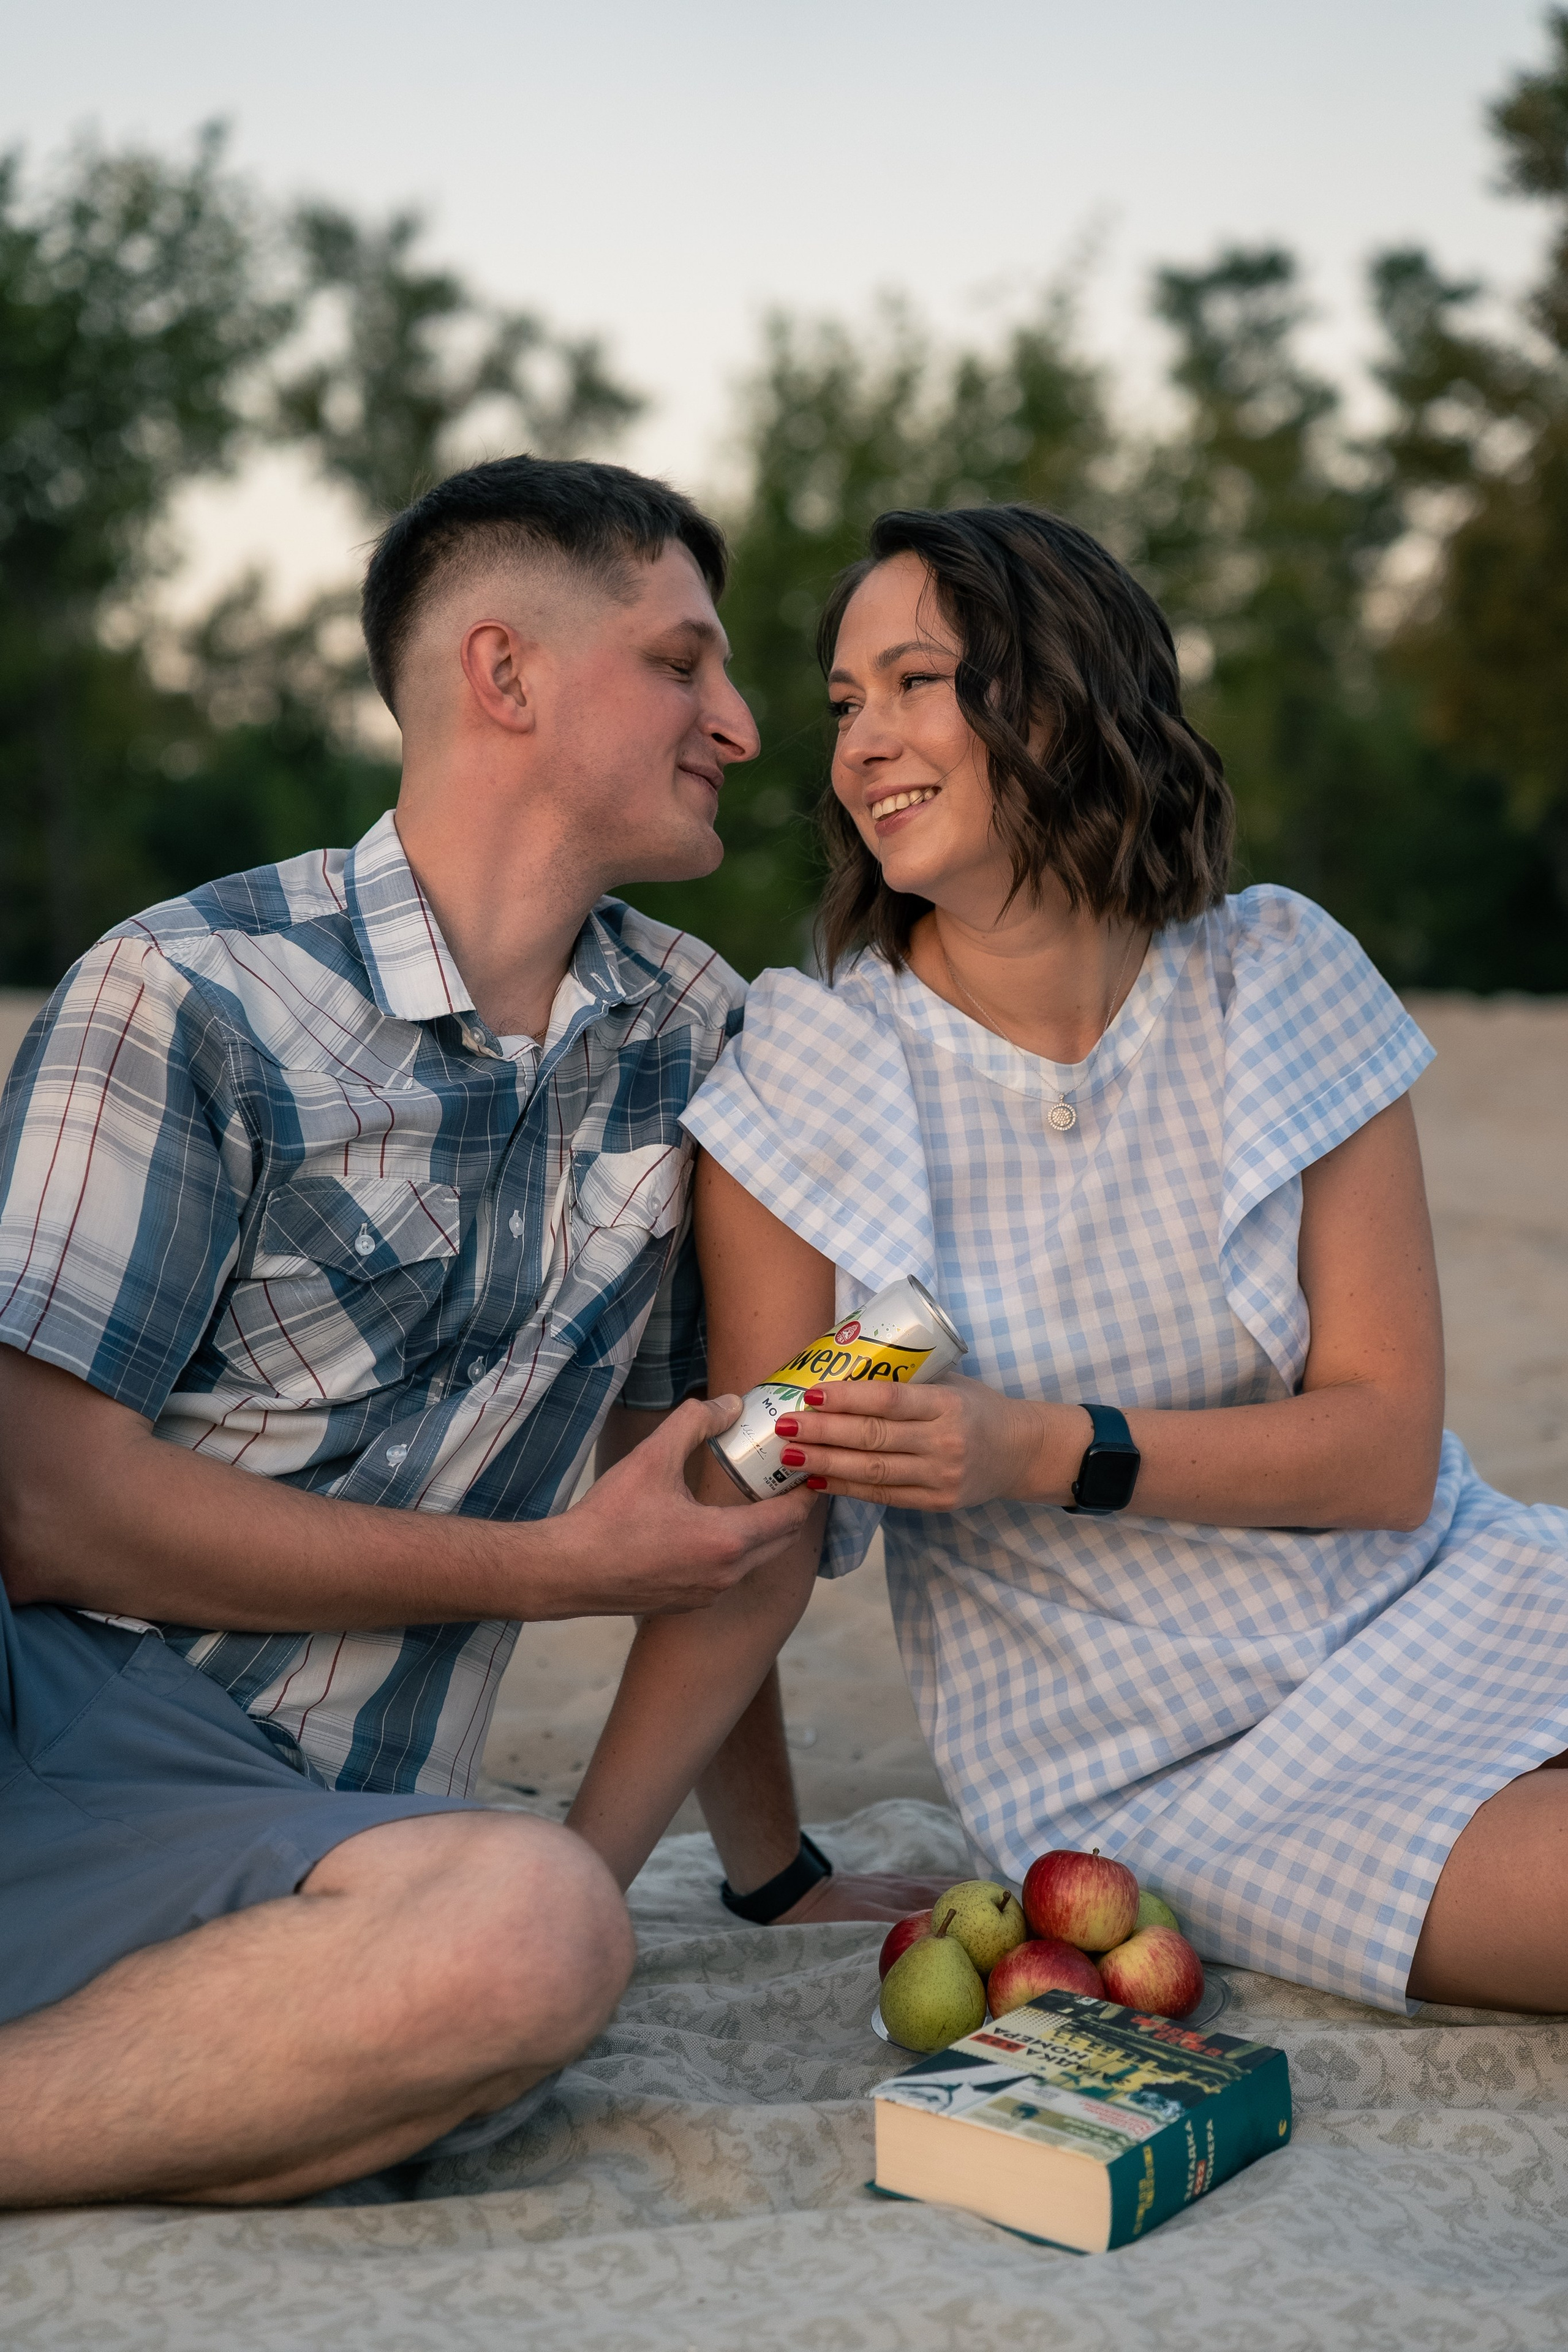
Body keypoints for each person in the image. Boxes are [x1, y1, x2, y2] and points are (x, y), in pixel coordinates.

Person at [0, 454, 933, 2214]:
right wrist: (558, 1570)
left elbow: (727, 1490)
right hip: (45, 1705)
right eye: (681, 664)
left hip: (336, 1833)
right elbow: (44, 1509)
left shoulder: (696, 1035)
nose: (744, 727)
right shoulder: (188, 991)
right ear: (503, 672)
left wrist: (767, 1869)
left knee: (536, 1938)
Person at [568, 502, 1568, 2018]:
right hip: (1177, 1763)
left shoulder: (1274, 972)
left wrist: (1030, 1449)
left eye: (914, 682)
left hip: (1456, 1596)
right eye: (844, 704)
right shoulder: (808, 1074)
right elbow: (746, 1528)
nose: (859, 744)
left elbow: (1381, 1455)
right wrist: (708, 1876)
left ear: (1059, 698)